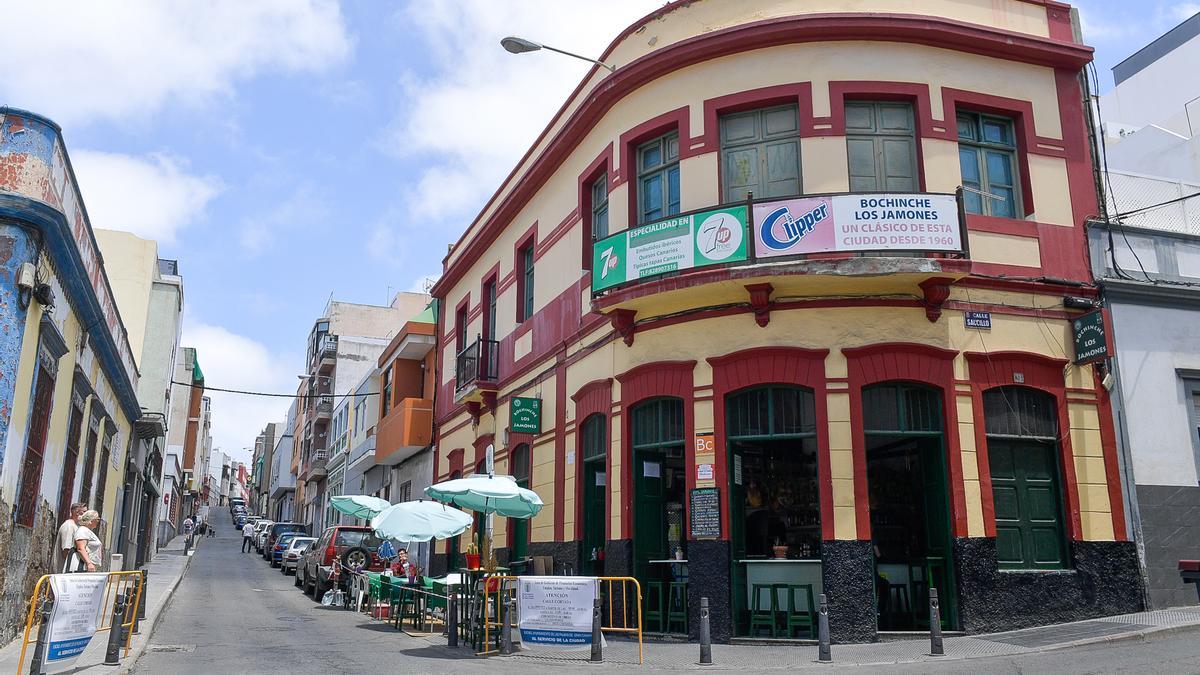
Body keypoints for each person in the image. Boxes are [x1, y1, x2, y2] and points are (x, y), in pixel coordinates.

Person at [57, 502, 87, 573]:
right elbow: (66, 551)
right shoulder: (69, 527)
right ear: (76, 512)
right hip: (63, 571)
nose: (86, 515)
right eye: (84, 512)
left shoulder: (75, 526)